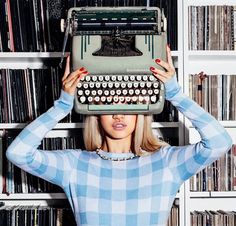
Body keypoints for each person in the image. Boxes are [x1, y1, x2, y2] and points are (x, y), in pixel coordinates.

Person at [6, 45, 232, 226]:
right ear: (95, 113)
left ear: (140, 113)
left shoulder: (166, 162)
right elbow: (18, 153)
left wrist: (175, 93)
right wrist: (62, 106)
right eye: (108, 105)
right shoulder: (74, 165)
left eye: (127, 105)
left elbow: (219, 143)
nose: (118, 115)